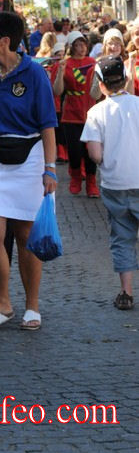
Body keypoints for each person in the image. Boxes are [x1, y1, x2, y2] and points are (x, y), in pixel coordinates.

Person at [0, 11, 57, 332]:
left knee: (25, 235)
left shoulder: (35, 73)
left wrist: (50, 168)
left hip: (31, 155)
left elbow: (47, 123)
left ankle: (32, 305)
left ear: (5, 41)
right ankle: (2, 303)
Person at [80, 56, 139, 311]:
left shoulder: (96, 112)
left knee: (122, 237)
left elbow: (95, 155)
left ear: (101, 84)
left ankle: (126, 292)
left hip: (115, 183)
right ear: (125, 79)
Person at [53, 31, 98, 197]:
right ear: (71, 47)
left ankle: (92, 183)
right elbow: (57, 91)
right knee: (75, 150)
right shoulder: (65, 64)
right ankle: (76, 177)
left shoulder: (93, 62)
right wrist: (60, 72)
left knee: (90, 151)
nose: (81, 48)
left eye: (83, 44)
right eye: (77, 45)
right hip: (71, 113)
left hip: (91, 112)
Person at [125, 17, 139, 96]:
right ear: (132, 38)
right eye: (137, 33)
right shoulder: (127, 64)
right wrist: (131, 66)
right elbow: (127, 94)